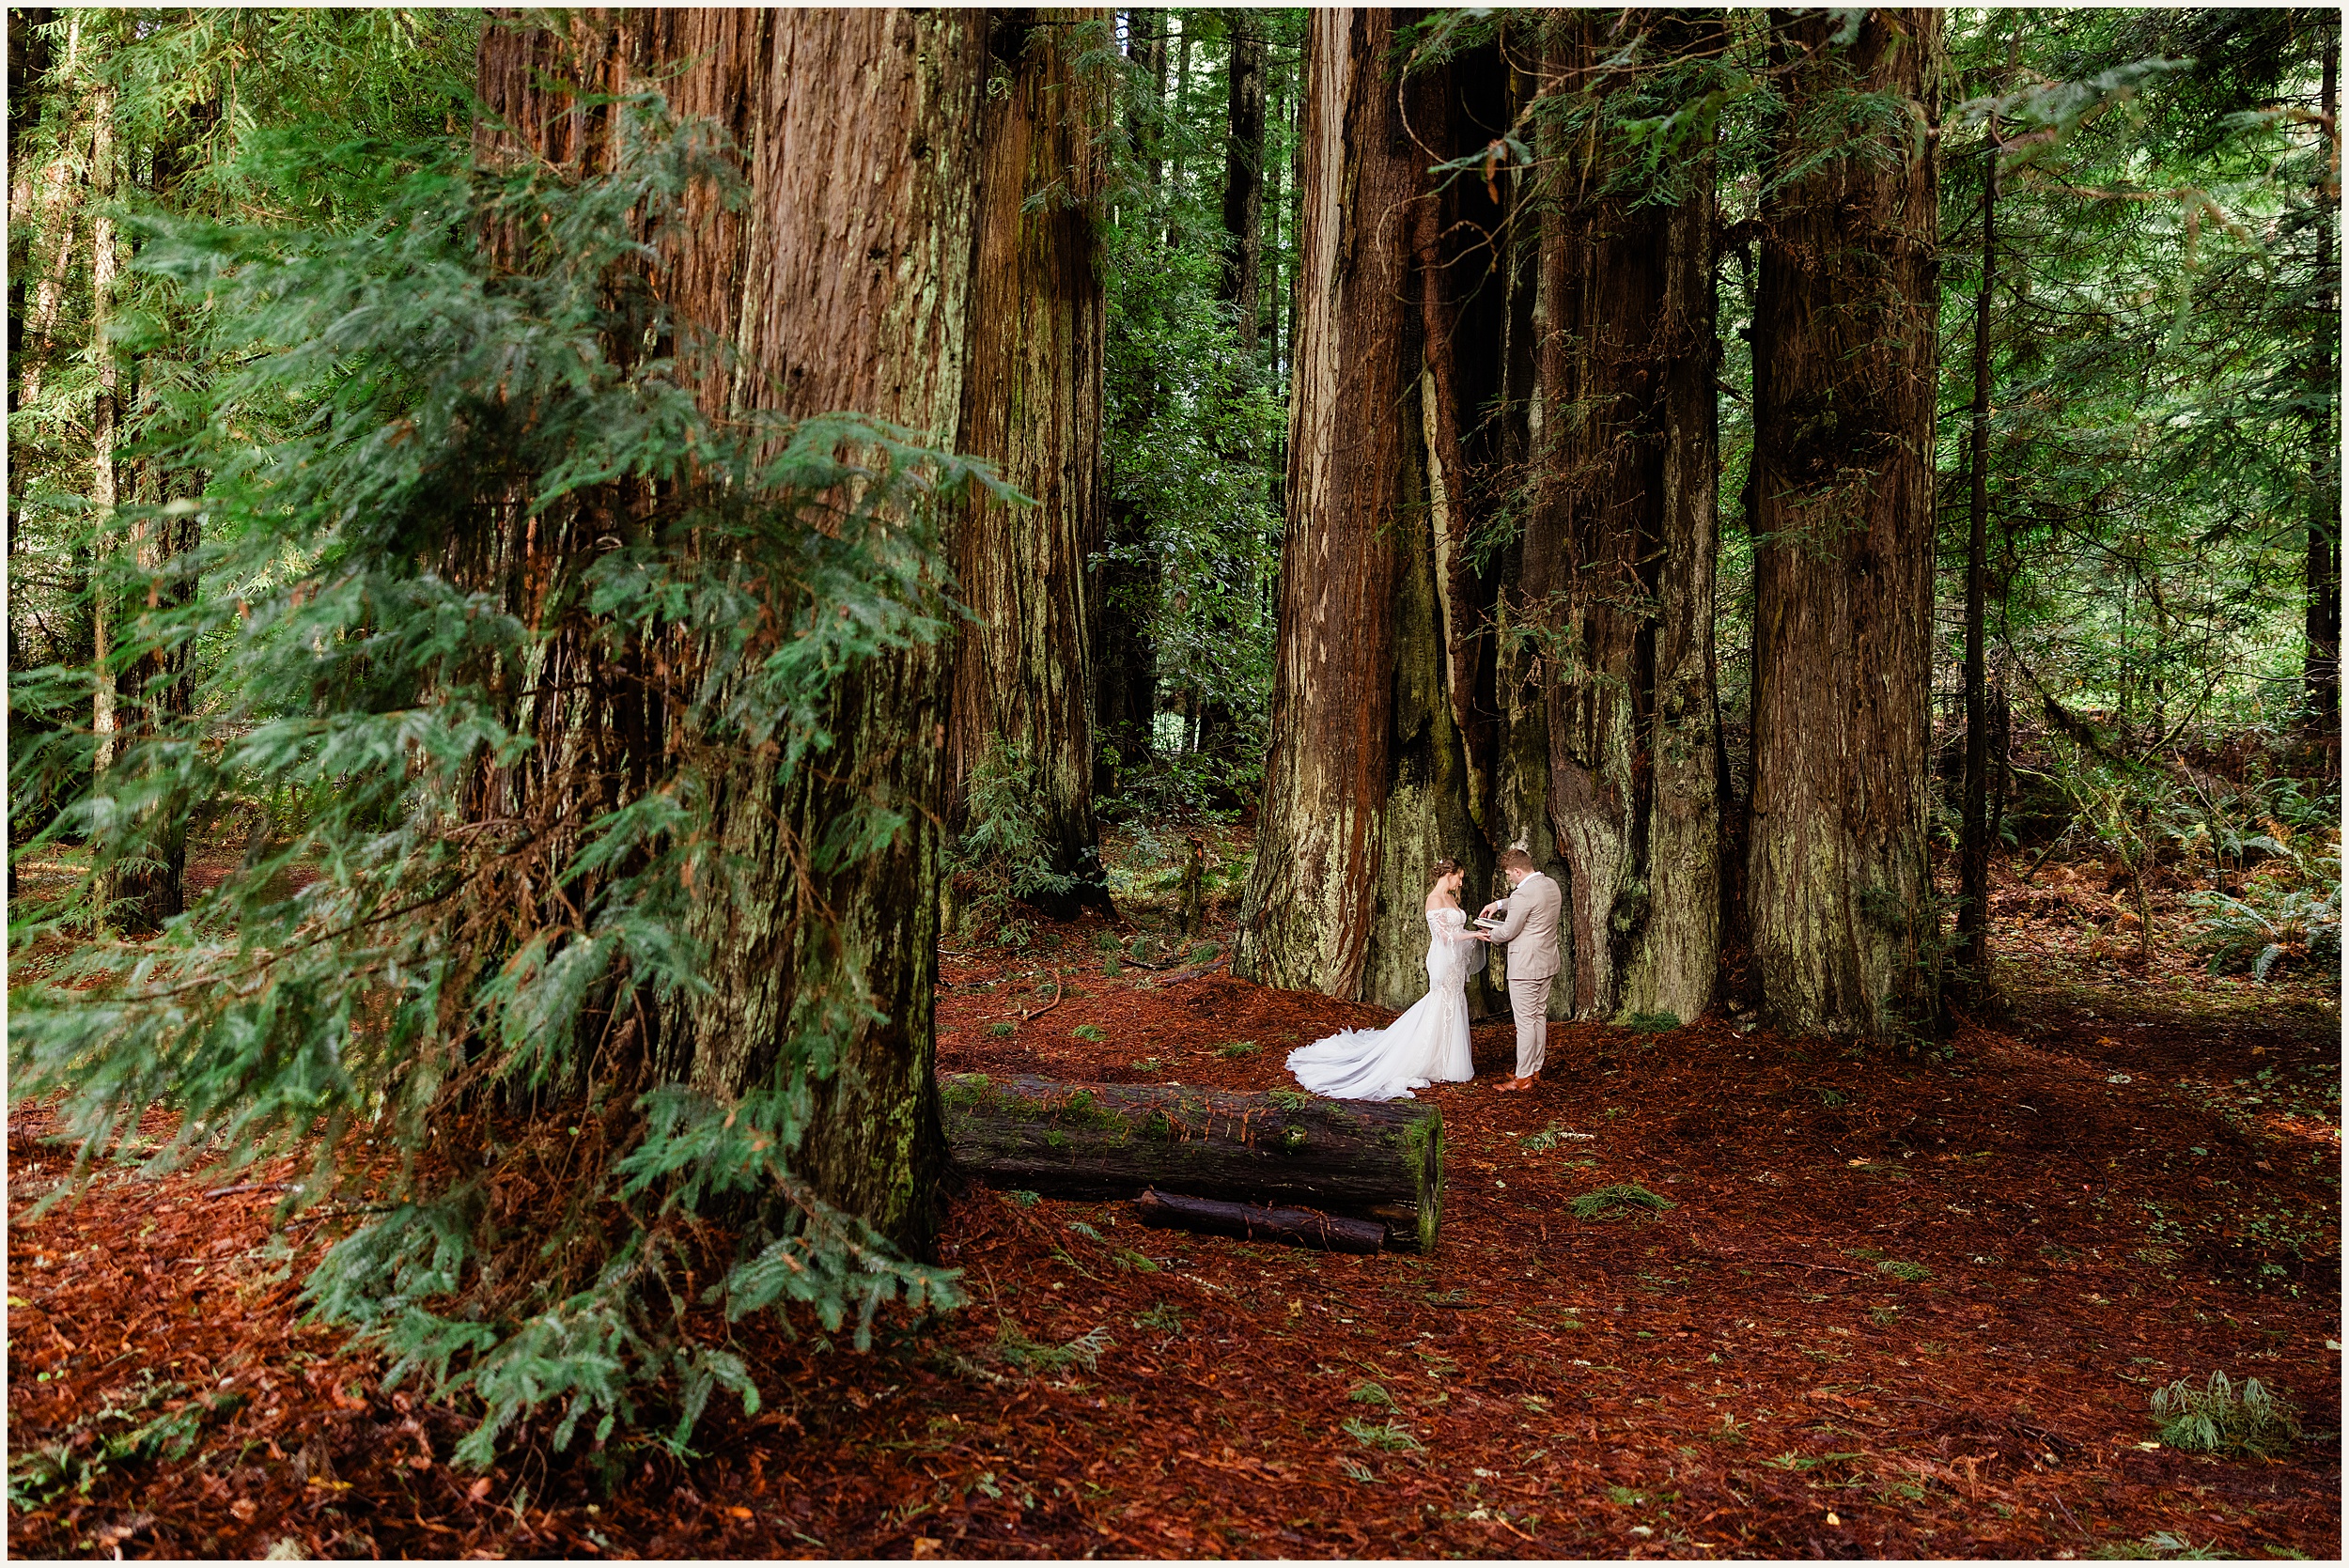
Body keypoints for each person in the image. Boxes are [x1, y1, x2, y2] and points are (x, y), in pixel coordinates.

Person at [1285, 860, 1482, 1101]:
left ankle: (1446, 1057)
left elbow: (1456, 930)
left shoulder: (1452, 898)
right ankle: (1429, 1057)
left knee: (1454, 999)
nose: (1460, 882)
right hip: (1442, 959)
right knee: (1441, 1000)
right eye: (1459, 877)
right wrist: (1474, 933)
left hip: (1455, 960)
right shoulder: (1434, 899)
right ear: (1448, 874)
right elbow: (1443, 935)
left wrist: (1474, 930)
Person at [1472, 846, 1561, 1093]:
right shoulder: (1549, 885)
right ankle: (1534, 1068)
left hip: (1525, 966)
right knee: (1538, 1017)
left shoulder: (1524, 895)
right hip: (1546, 961)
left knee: (1524, 1022)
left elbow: (1509, 931)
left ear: (1518, 871)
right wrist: (1499, 904)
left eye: (1510, 875)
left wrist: (1489, 933)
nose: (1509, 878)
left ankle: (1522, 1078)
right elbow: (1527, 902)